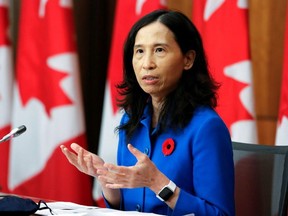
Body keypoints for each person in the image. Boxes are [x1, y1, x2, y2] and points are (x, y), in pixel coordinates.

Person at [60, 9, 235, 216]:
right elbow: (129, 208)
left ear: (188, 59)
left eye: (159, 50)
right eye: (139, 51)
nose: (147, 64)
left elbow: (220, 214)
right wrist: (106, 179)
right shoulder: (132, 120)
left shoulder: (206, 127)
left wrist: (159, 184)